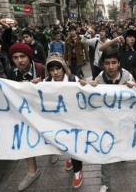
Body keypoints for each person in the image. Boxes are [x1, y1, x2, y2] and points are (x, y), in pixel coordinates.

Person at [87, 49, 136, 192]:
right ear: (102, 65)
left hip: (124, 121)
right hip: (106, 122)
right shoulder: (99, 79)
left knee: (122, 142)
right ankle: (105, 182)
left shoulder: (128, 76)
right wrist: (89, 87)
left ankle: (122, 153)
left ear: (119, 63)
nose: (111, 67)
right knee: (105, 152)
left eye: (114, 63)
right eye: (107, 63)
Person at [44, 54, 85, 189]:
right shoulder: (45, 83)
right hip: (57, 121)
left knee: (74, 143)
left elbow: (85, 94)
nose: (55, 72)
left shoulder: (73, 79)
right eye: (52, 70)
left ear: (63, 68)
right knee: (63, 141)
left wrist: (87, 85)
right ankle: (69, 157)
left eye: (58, 68)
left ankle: (78, 171)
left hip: (74, 119)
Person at [7, 43, 45, 191]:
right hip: (24, 113)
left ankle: (53, 154)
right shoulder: (12, 72)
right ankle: (32, 171)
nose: (19, 60)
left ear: (29, 57)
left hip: (44, 112)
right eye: (15, 57)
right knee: (25, 139)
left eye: (22, 56)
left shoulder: (41, 68)